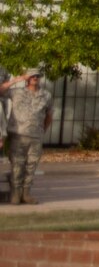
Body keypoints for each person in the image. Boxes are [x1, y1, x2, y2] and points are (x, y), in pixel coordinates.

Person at [7, 69, 52, 204]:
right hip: (18, 134)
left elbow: (49, 116)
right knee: (17, 164)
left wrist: (42, 130)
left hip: (36, 136)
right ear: (27, 78)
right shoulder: (17, 92)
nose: (35, 78)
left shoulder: (46, 95)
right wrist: (16, 80)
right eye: (32, 76)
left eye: (37, 76)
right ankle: (16, 193)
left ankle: (26, 194)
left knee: (31, 165)